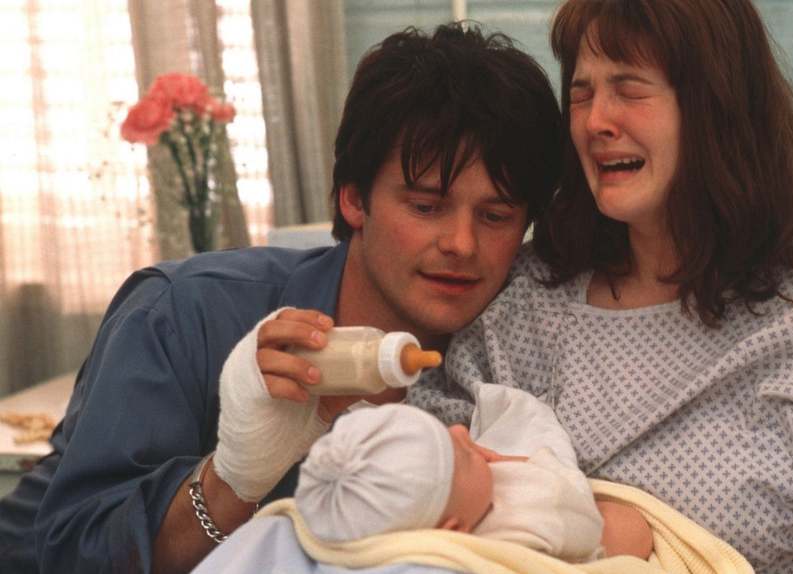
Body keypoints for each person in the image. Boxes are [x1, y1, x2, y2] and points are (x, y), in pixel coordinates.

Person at [0, 23, 561, 574]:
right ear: (353, 200)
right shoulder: (182, 313)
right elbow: (73, 552)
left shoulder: (516, 353)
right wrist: (236, 478)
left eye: (495, 216)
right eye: (425, 207)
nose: (462, 244)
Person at [413, 1, 793, 573]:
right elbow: (419, 508)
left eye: (629, 89)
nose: (595, 122)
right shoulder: (524, 301)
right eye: (582, 93)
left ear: (716, 107)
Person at [293, 384, 614, 562]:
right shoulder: (527, 521)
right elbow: (587, 523)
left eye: (445, 432)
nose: (461, 431)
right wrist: (536, 466)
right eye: (462, 456)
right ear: (454, 531)